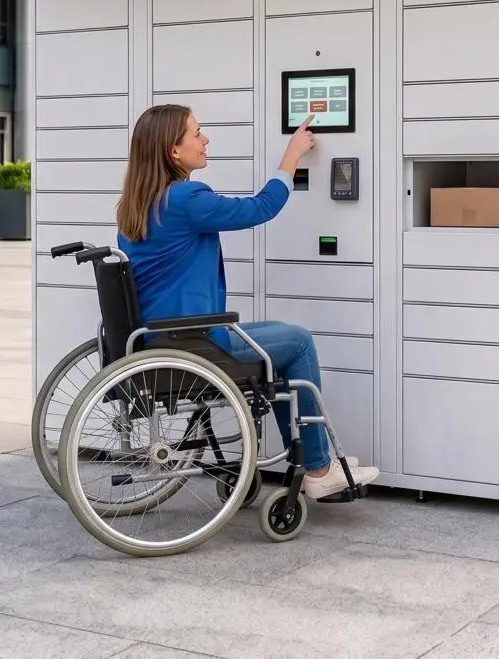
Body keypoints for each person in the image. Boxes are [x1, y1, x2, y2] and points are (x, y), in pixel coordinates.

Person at [115, 103, 380, 500]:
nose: (205, 140)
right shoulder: (187, 199)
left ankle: (312, 460)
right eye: (197, 133)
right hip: (193, 343)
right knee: (298, 342)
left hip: (159, 339)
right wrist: (291, 158)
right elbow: (260, 208)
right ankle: (318, 469)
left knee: (281, 335)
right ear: (174, 151)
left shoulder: (136, 206)